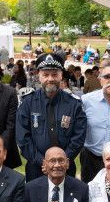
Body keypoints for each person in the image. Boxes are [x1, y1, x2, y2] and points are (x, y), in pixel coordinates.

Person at [16, 53, 87, 181]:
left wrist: (63, 161)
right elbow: (23, 138)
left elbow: (79, 136)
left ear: (61, 75)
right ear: (39, 76)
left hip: (65, 167)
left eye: (54, 74)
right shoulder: (27, 103)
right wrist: (42, 162)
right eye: (45, 74)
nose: (50, 78)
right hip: (36, 168)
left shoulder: (74, 104)